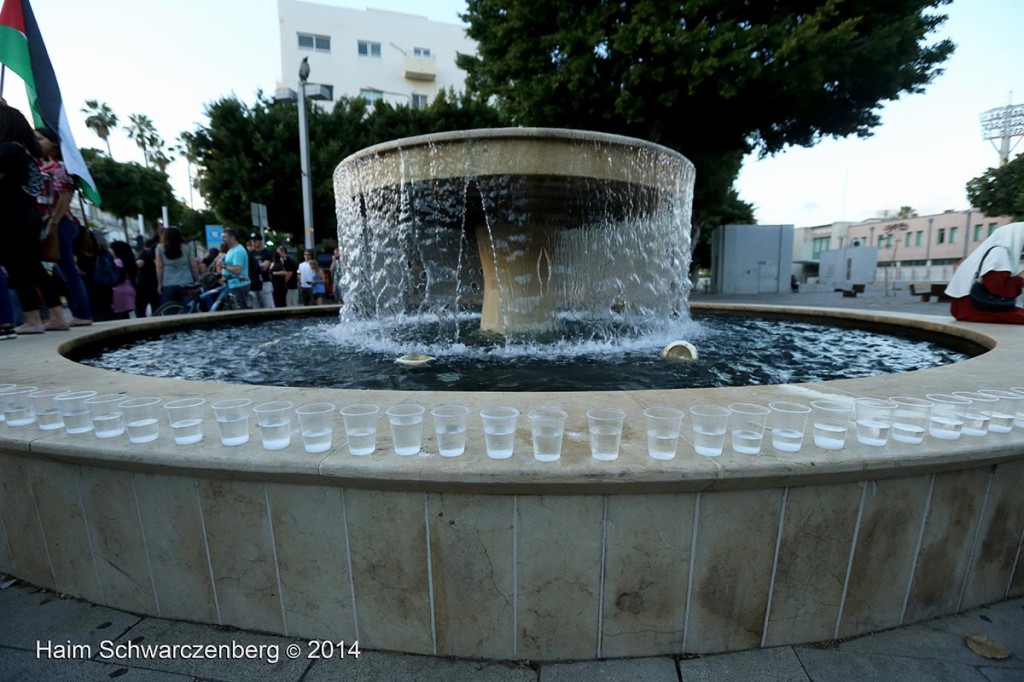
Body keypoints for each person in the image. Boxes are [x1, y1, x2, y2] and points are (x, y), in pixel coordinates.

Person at [0, 103, 69, 334]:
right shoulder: (26, 155)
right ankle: (56, 315)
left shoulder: (7, 150)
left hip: (10, 216)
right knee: (34, 267)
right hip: (28, 216)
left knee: (17, 269)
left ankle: (32, 319)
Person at [34, 126, 92, 325]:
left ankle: (82, 314)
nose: (36, 142)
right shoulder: (42, 165)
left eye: (40, 139)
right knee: (62, 271)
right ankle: (76, 313)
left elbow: (65, 198)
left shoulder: (61, 167)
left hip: (61, 224)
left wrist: (53, 224)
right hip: (51, 224)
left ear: (54, 143)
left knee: (68, 270)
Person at [945, 223, 1024, 324]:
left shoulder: (995, 250)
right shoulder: (999, 252)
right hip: (974, 308)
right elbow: (999, 289)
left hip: (969, 306)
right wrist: (1021, 278)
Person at [156, 227, 197, 305]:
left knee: (170, 311)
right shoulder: (187, 247)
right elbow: (194, 266)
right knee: (189, 309)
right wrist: (197, 280)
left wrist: (159, 284)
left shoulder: (159, 248)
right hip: (186, 282)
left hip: (168, 283)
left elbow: (159, 267)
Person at [220, 227, 250, 309]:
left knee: (239, 310)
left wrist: (224, 266)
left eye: (224, 237)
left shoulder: (238, 251)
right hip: (232, 284)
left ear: (233, 237)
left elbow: (237, 270)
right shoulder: (231, 250)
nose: (222, 239)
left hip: (238, 285)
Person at [109, 240, 137, 320]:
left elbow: (118, 278)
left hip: (118, 291)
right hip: (129, 288)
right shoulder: (130, 261)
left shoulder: (117, 261)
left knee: (118, 317)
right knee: (125, 316)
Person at [134, 237, 159, 316]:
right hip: (156, 282)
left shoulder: (144, 253)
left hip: (144, 283)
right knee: (156, 306)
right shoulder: (157, 253)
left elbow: (139, 264)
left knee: (141, 308)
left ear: (145, 245)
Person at [249, 233, 274, 308]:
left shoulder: (267, 253)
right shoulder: (251, 253)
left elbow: (264, 267)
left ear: (260, 241)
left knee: (268, 305)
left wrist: (258, 263)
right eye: (252, 241)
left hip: (264, 282)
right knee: (255, 306)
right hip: (254, 282)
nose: (253, 243)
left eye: (255, 241)